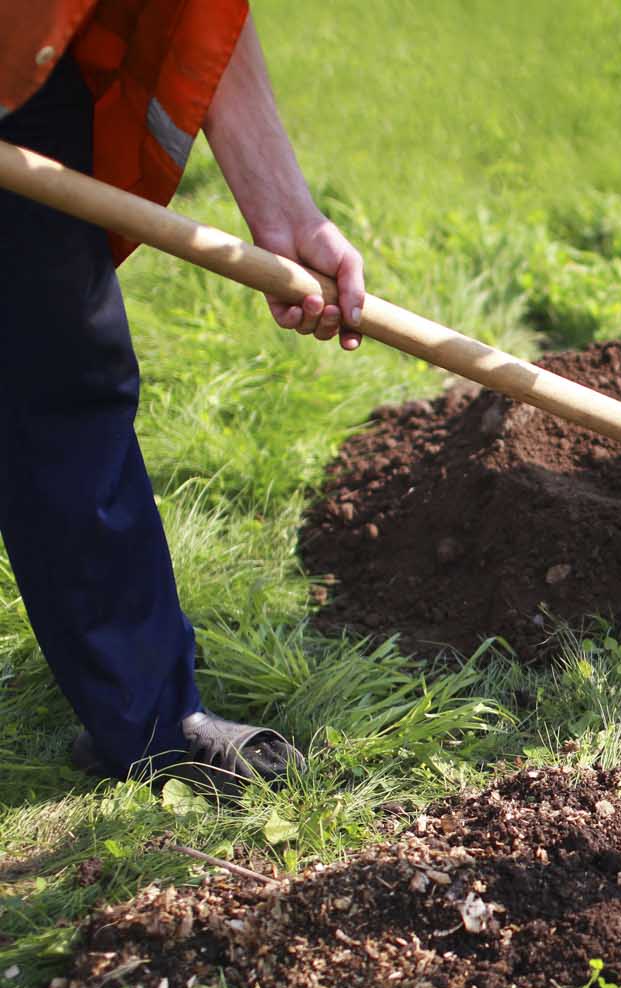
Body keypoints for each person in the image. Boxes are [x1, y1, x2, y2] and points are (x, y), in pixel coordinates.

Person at [1, 3, 362, 789]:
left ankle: (153, 721)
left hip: (19, 65)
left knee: (62, 367)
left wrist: (286, 211)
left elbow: (198, 7)